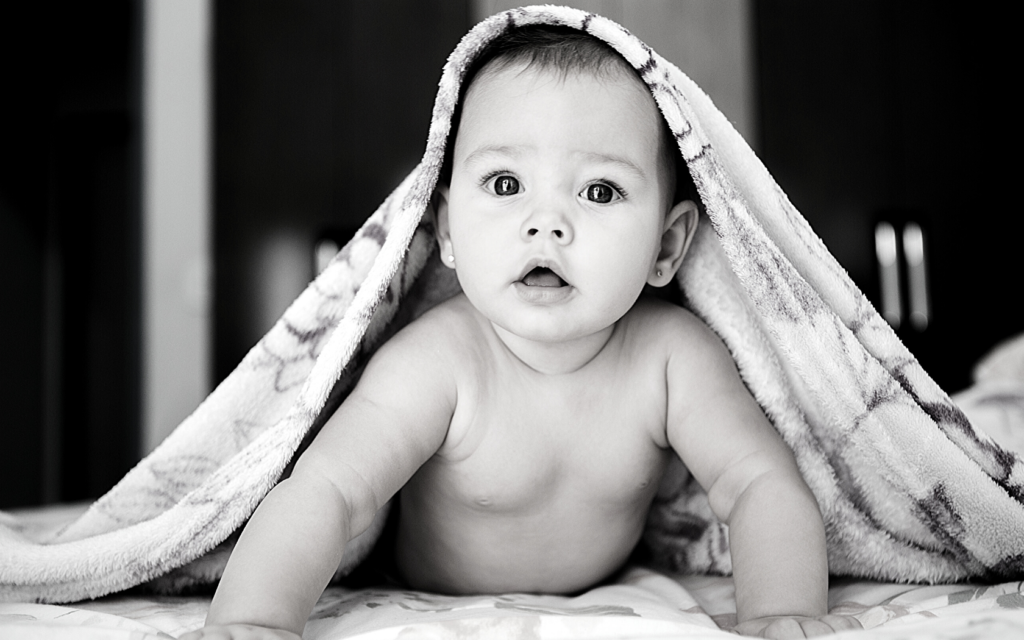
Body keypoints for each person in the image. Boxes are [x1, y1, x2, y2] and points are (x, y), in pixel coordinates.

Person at [183, 25, 862, 640]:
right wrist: (256, 619)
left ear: (667, 246)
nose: (547, 223)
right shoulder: (437, 362)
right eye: (506, 183)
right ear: (446, 229)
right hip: (421, 581)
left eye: (598, 191)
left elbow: (759, 483)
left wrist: (781, 612)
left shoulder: (672, 358)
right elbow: (328, 490)